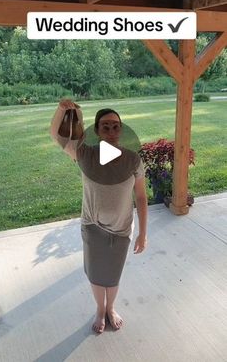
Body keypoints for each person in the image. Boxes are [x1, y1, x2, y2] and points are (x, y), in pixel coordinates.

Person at [50, 99, 148, 334]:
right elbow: (56, 135)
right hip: (92, 227)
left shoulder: (133, 160)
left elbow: (142, 198)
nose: (111, 131)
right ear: (96, 130)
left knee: (113, 275)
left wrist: (143, 234)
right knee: (96, 275)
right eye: (105, 126)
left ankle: (110, 308)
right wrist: (61, 110)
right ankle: (99, 308)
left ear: (121, 130)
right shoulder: (84, 154)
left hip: (122, 229)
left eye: (115, 126)